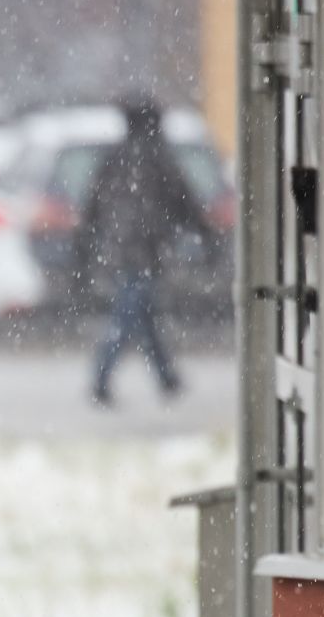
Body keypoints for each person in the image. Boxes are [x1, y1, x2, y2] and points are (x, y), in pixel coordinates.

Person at [75, 96, 219, 406]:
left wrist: (86, 245)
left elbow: (93, 206)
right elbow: (186, 203)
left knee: (140, 314)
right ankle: (102, 379)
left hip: (119, 250)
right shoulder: (157, 157)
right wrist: (206, 239)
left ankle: (165, 378)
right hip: (145, 251)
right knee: (128, 314)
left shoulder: (116, 157)